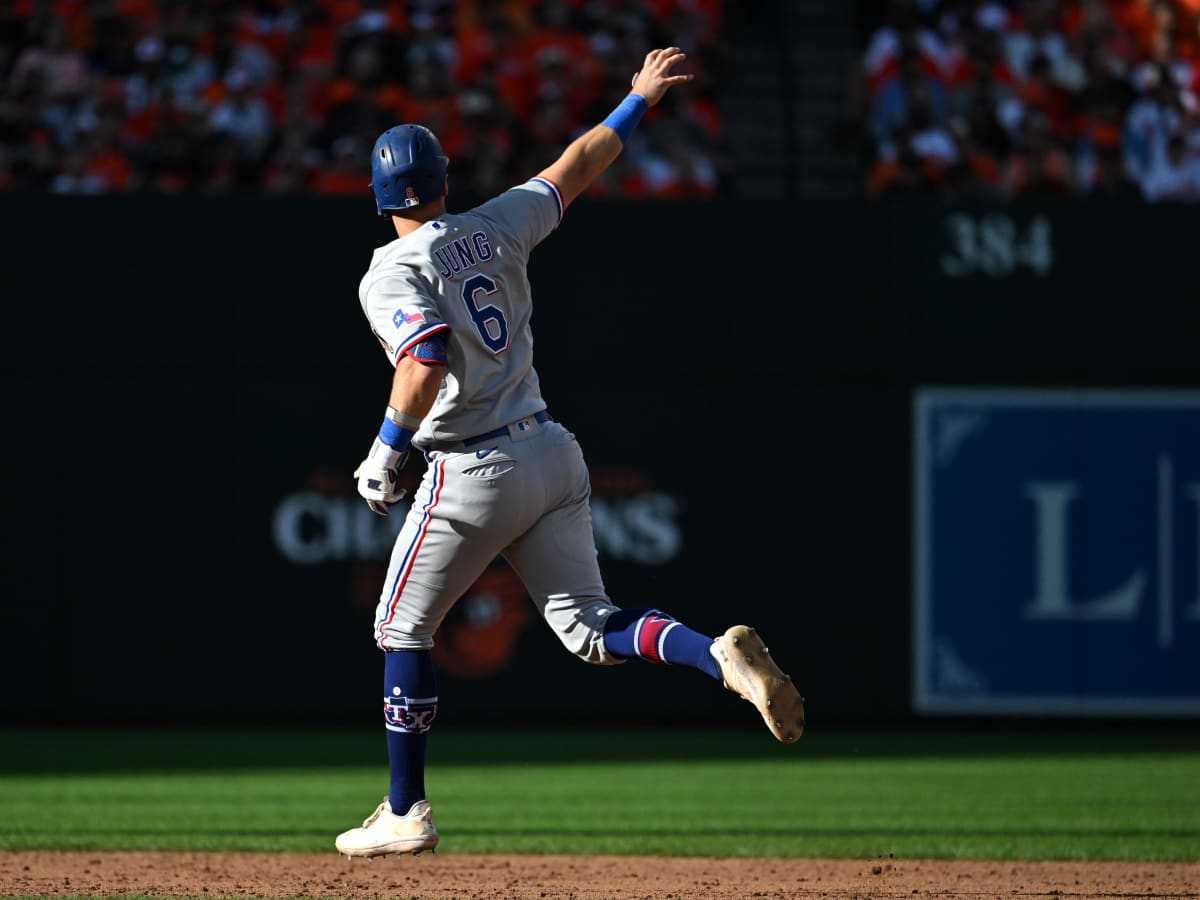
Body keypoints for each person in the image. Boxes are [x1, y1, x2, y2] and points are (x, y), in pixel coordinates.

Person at [335, 46, 806, 859]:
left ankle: (406, 808)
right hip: (551, 449)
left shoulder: (388, 269)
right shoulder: (494, 224)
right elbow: (577, 163)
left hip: (470, 465)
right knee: (591, 627)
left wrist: (384, 448)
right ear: (444, 181)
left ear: (380, 201)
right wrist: (638, 99)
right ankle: (715, 657)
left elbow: (425, 357)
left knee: (400, 628)